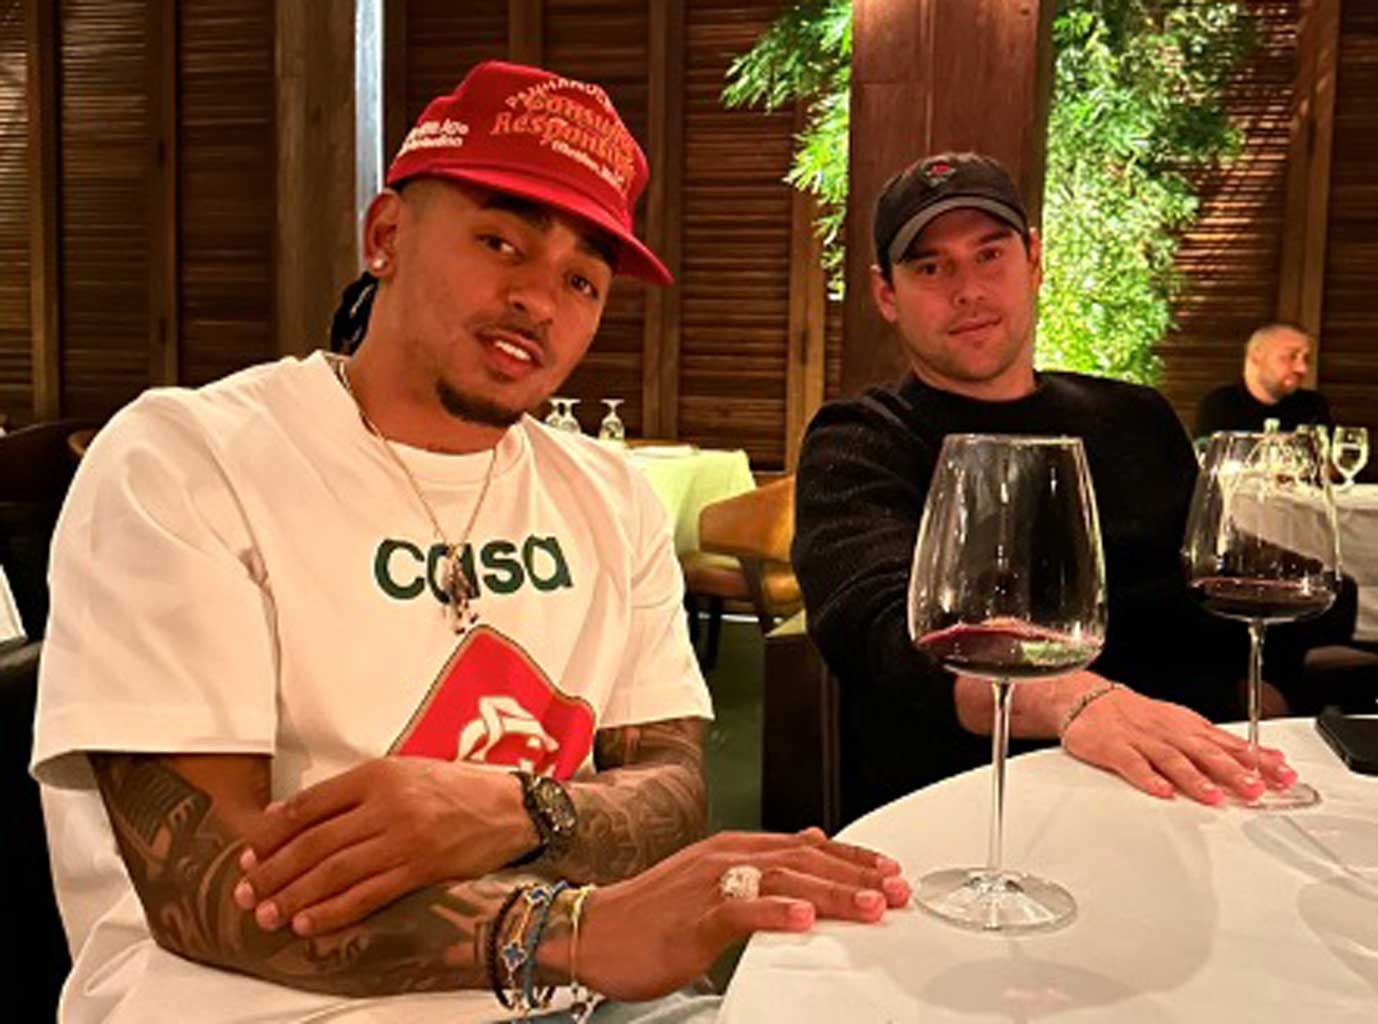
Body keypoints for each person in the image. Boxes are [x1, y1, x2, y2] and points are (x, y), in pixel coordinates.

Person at [31, 61, 906, 1024]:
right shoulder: (187, 461)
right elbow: (208, 892)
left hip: (584, 1003)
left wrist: (518, 811)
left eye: (582, 279)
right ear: (386, 236)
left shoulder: (610, 497)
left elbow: (672, 789)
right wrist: (566, 929)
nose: (541, 300)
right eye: (501, 242)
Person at [793, 152, 1307, 823]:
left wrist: (1269, 694)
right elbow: (878, 631)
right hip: (978, 810)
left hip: (1195, 793)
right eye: (930, 267)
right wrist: (1079, 701)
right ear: (886, 294)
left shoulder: (1136, 417)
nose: (968, 290)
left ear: (1033, 261)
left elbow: (1218, 584)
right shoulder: (863, 439)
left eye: (989, 255)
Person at [1194, 322, 1332, 436]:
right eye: (1291, 356)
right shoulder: (1219, 406)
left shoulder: (1313, 407)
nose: (1302, 368)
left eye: (1306, 359)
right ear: (1256, 356)